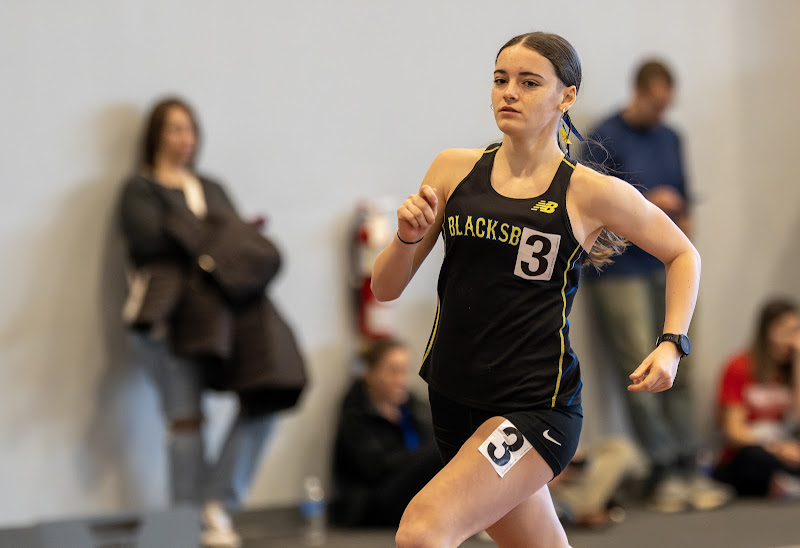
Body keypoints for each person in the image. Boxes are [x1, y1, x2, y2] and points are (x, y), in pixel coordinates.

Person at [371, 32, 701, 548]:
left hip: (533, 408)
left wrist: (671, 343)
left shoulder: (587, 190)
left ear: (566, 96)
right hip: (454, 399)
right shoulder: (453, 169)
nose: (509, 92)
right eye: (501, 80)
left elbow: (683, 253)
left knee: (422, 531)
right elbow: (385, 288)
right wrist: (406, 238)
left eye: (529, 82)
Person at [119, 97, 306, 548]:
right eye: (175, 129)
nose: (185, 139)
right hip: (170, 325)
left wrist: (193, 236)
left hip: (224, 319)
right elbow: (149, 244)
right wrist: (209, 240)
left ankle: (216, 504)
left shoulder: (211, 187)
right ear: (156, 135)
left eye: (191, 129)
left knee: (268, 395)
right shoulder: (140, 190)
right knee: (186, 421)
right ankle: (185, 523)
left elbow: (238, 246)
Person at [581, 60, 731, 512]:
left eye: (669, 103)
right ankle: (662, 469)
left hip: (666, 265)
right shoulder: (606, 136)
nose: (663, 111)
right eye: (656, 102)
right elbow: (594, 212)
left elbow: (685, 207)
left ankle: (688, 465)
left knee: (680, 357)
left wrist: (681, 225)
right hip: (621, 271)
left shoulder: (671, 138)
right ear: (639, 92)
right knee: (639, 366)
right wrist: (648, 204)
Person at [331, 338, 443, 527]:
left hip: (412, 493)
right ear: (370, 373)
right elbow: (376, 467)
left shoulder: (414, 408)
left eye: (405, 371)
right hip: (373, 502)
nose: (402, 380)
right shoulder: (355, 415)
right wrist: (421, 460)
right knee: (438, 451)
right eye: (393, 371)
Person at [713, 298, 800, 499]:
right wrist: (777, 448)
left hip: (785, 448)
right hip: (752, 450)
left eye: (796, 331)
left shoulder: (790, 371)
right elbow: (734, 431)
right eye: (787, 331)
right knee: (755, 459)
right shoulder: (739, 366)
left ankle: (782, 484)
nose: (792, 340)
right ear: (767, 331)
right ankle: (780, 484)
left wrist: (798, 362)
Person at [549, 436, 649, 529]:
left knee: (621, 447)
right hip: (554, 487)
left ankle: (588, 507)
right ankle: (581, 512)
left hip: (566, 464)